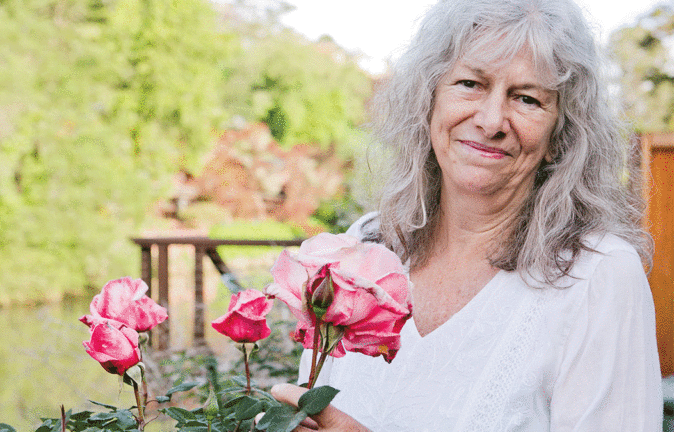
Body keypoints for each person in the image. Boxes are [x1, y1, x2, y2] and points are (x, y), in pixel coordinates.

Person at [270, 0, 663, 430]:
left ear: (559, 136)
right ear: (429, 102)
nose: (492, 120)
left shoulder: (599, 276)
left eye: (527, 98)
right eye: (471, 84)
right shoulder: (366, 248)